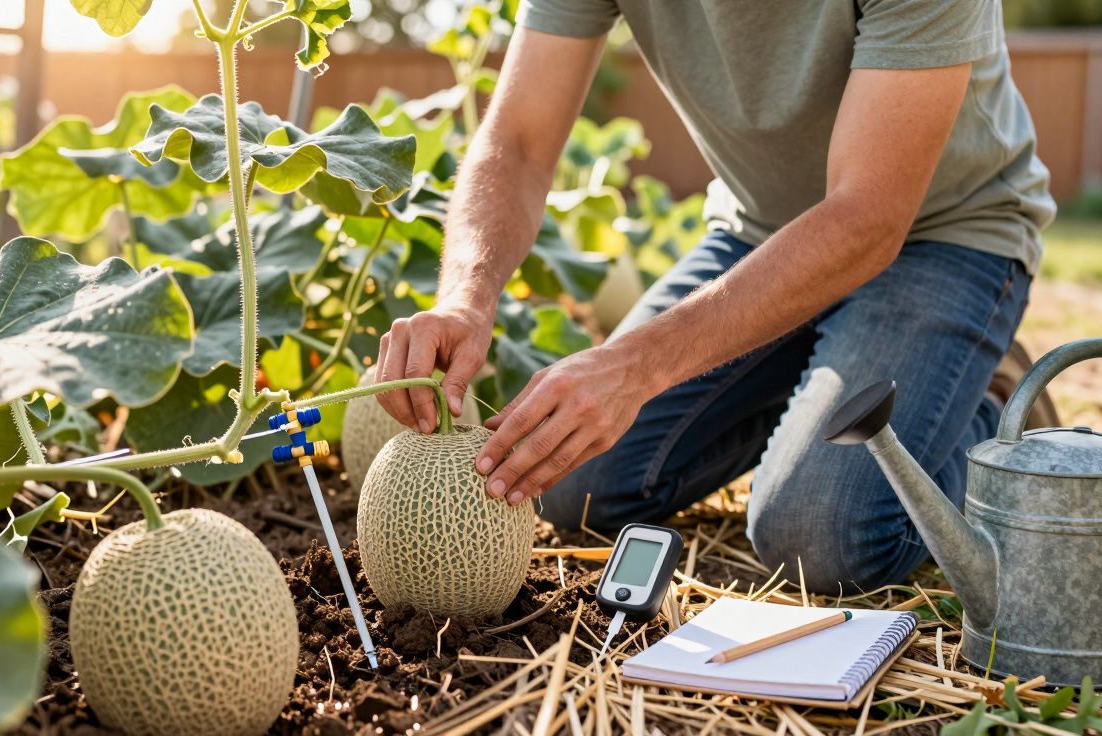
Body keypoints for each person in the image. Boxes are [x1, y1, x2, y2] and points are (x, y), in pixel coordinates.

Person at [371, 0, 1056, 595]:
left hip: (943, 236)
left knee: (821, 537)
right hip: (760, 234)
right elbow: (518, 143)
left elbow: (867, 218)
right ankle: (811, 388)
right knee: (573, 484)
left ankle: (995, 410)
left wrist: (637, 366)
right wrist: (466, 295)